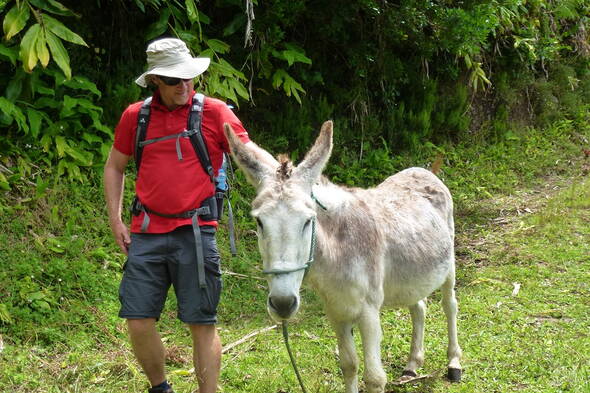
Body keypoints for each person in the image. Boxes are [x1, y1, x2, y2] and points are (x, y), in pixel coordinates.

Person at [103, 37, 275, 393]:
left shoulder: (213, 112)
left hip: (195, 232)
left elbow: (249, 151)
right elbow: (115, 166)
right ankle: (160, 388)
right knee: (137, 320)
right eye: (173, 80)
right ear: (154, 81)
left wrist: (284, 178)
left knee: (201, 321)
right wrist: (116, 220)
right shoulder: (136, 117)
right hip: (147, 232)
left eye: (188, 78)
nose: (183, 86)